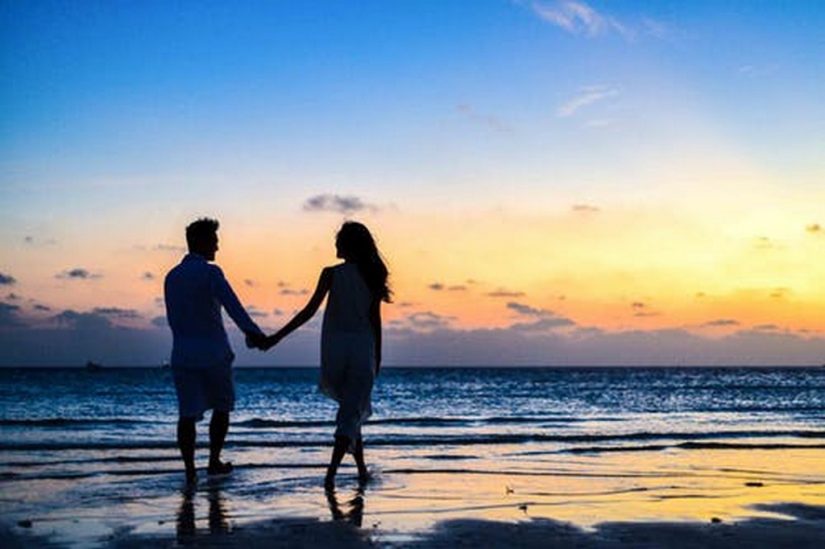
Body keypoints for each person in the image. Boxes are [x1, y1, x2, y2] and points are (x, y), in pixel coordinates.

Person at [258, 221, 390, 489]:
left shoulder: (330, 274)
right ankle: (330, 475)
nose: (335, 245)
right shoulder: (373, 273)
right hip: (362, 350)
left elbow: (308, 312)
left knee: (351, 410)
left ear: (348, 245)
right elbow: (375, 320)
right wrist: (378, 356)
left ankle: (362, 470)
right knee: (350, 412)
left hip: (334, 353)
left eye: (339, 240)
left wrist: (275, 338)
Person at [164, 217, 266, 484]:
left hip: (183, 354)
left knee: (186, 414)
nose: (217, 248)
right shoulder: (211, 273)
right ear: (201, 241)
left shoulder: (171, 277)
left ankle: (189, 471)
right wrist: (253, 333)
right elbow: (233, 306)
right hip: (213, 353)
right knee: (222, 408)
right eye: (214, 241)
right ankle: (212, 462)